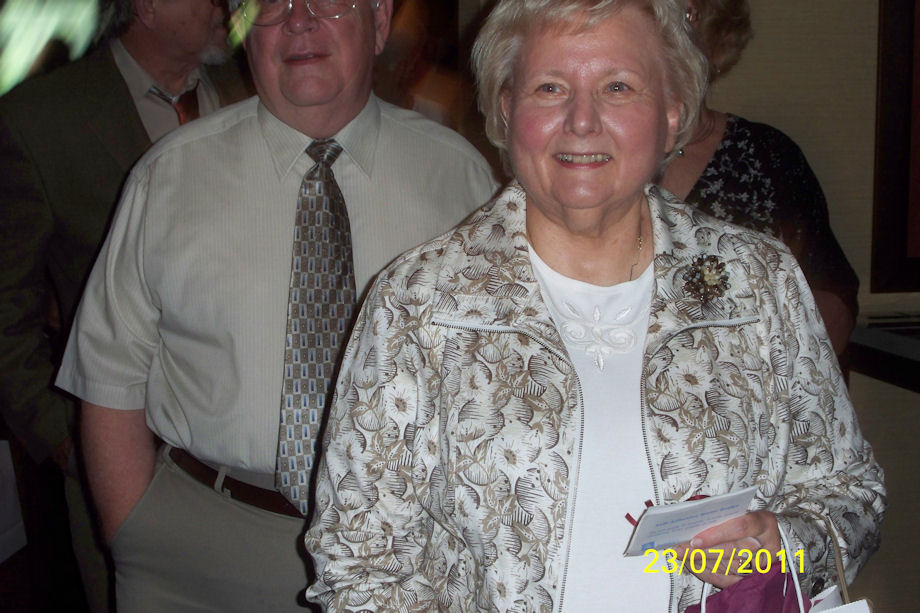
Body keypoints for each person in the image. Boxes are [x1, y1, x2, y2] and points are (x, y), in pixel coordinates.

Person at [303, 0, 886, 611]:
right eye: (550, 88)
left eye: (618, 87)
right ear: (507, 108)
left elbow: (851, 493)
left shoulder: (757, 283)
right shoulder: (418, 305)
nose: (582, 121)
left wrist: (785, 547)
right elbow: (359, 563)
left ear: (672, 112)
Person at [54, 0, 497, 610]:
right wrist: (136, 530)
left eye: (329, 1)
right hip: (198, 555)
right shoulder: (168, 176)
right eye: (271, 3)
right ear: (244, 31)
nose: (299, 19)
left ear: (379, 22)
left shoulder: (462, 182)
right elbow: (108, 376)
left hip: (406, 548)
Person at [0, 1, 250, 610]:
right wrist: (67, 440)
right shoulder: (42, 119)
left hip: (251, 475)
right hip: (127, 465)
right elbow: (6, 310)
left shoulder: (251, 91)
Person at [659, 0, 858, 357]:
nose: (673, 33)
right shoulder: (585, 161)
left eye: (688, 15)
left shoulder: (768, 156)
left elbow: (832, 301)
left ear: (718, 36)